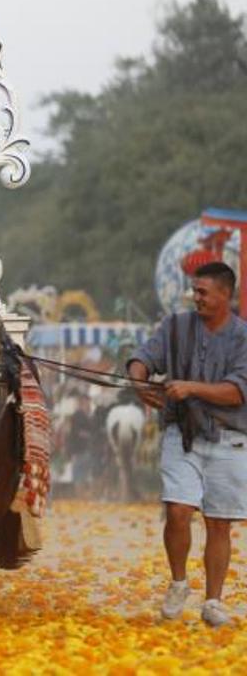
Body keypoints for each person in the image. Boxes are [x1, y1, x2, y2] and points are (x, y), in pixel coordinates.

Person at [128, 261, 247, 627]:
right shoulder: (175, 325)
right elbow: (143, 357)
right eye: (194, 291)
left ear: (225, 295)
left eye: (202, 292)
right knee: (178, 511)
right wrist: (139, 381)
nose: (195, 298)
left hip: (230, 439)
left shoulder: (243, 337)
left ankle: (213, 601)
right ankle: (178, 582)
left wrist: (191, 387)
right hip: (182, 435)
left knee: (218, 523)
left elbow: (237, 391)